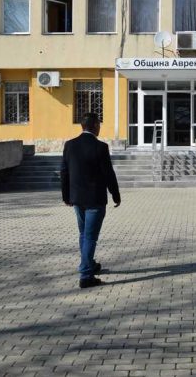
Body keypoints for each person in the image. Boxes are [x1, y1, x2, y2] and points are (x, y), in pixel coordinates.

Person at [61, 113, 121, 289]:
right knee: (90, 237)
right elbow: (108, 173)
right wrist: (115, 194)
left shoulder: (70, 145)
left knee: (84, 234)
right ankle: (86, 275)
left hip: (77, 199)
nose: (99, 127)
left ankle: (89, 264)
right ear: (95, 125)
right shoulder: (100, 147)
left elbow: (64, 172)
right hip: (95, 199)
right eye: (99, 125)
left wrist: (66, 196)